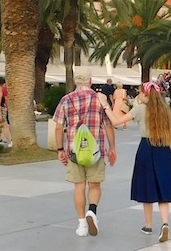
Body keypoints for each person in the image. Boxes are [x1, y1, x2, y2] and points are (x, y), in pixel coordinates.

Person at [99, 78, 171, 243]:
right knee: (163, 191)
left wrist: (105, 105)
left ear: (146, 94)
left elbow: (116, 121)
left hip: (146, 149)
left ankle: (148, 225)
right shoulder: (164, 110)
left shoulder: (140, 109)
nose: (138, 95)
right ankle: (165, 222)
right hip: (164, 149)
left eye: (140, 92)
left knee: (147, 188)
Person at [53, 69, 117, 238]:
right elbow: (109, 125)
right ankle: (92, 211)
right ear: (90, 81)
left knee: (79, 186)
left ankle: (82, 224)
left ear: (75, 81)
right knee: (95, 185)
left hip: (75, 151)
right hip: (96, 149)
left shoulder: (66, 100)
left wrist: (60, 150)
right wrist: (112, 148)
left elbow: (59, 126)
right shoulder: (99, 99)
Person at [0, 79, 12, 146]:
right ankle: (10, 142)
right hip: (0, 110)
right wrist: (0, 115)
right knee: (5, 127)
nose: (6, 85)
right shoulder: (0, 93)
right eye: (5, 84)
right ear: (1, 84)